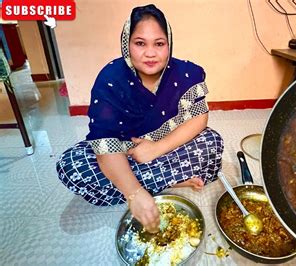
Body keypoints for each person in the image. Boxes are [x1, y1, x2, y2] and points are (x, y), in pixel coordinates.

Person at [56, 4, 223, 233]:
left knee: (212, 141)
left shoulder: (184, 73)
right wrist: (134, 193)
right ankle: (168, 181)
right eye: (140, 43)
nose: (151, 53)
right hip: (124, 152)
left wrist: (156, 148)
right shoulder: (111, 78)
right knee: (71, 166)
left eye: (159, 44)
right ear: (127, 43)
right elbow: (105, 146)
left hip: (162, 149)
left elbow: (199, 117)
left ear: (169, 43)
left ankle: (146, 182)